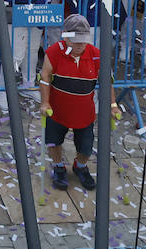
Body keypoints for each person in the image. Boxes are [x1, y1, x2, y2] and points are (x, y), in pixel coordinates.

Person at [39, 13, 118, 192]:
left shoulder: (97, 55)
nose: (80, 45)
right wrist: (45, 103)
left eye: (83, 41)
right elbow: (45, 77)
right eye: (76, 41)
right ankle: (58, 166)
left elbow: (106, 81)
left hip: (84, 112)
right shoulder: (53, 52)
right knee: (53, 142)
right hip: (57, 111)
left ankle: (80, 167)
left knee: (86, 148)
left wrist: (113, 105)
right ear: (65, 37)